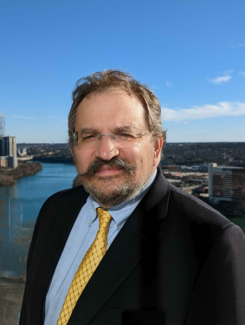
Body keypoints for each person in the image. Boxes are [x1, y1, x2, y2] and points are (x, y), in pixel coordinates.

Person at [20, 70, 245, 325]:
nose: (105, 151)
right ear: (74, 147)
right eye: (90, 135)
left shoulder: (209, 242)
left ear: (157, 147)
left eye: (125, 133)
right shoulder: (54, 210)